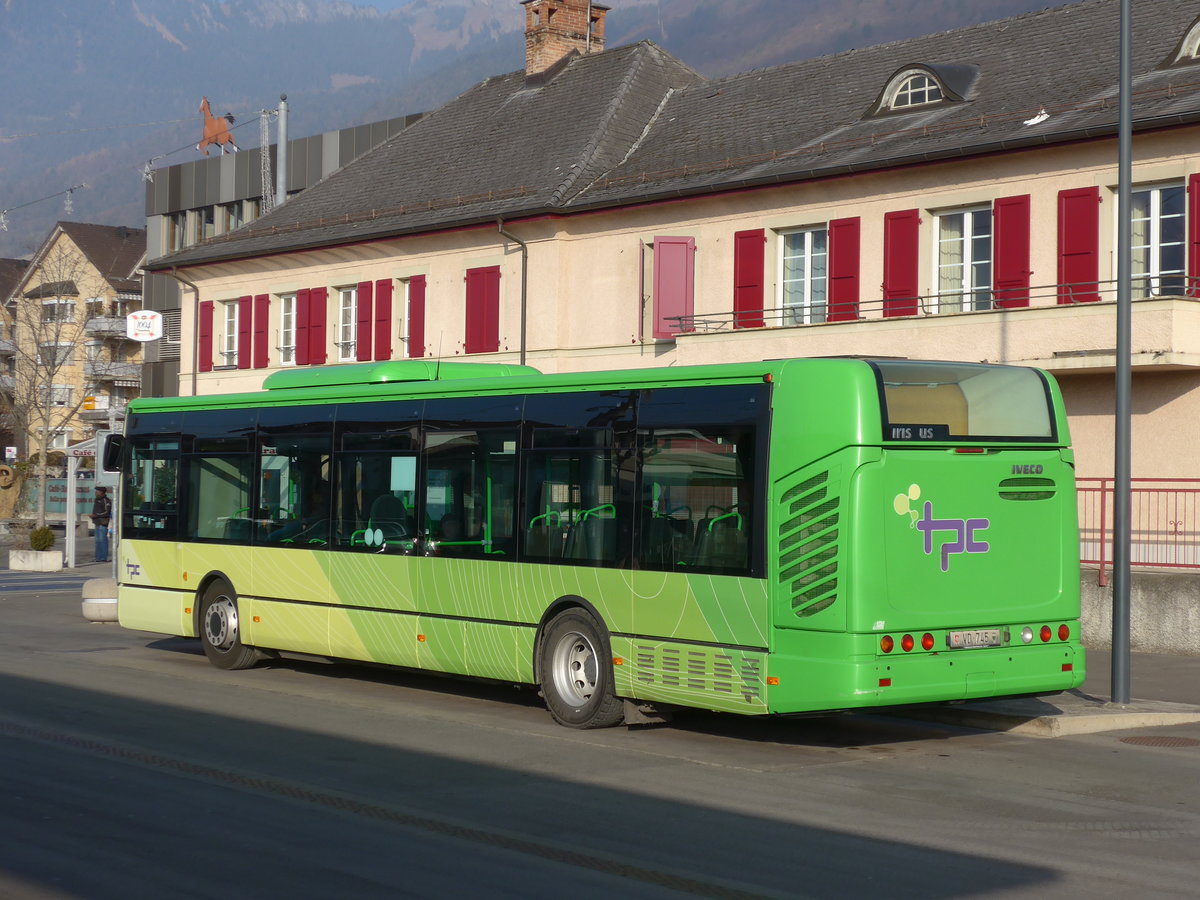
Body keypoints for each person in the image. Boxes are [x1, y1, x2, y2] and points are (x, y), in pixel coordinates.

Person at [90, 486, 112, 562]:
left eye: (97, 491)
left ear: (101, 492)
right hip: (97, 522)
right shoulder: (97, 500)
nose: (96, 492)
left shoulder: (106, 500)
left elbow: (107, 512)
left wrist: (97, 515)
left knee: (103, 540)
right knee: (97, 540)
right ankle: (98, 557)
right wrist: (93, 516)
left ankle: (103, 557)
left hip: (103, 522)